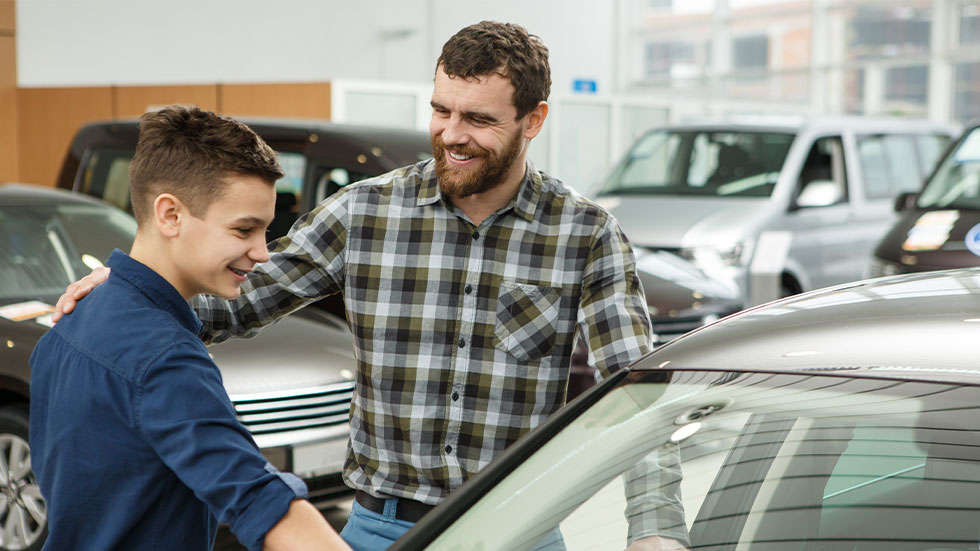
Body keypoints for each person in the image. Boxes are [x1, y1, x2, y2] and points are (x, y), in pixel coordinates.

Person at [54, 22, 688, 551]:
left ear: (533, 120)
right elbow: (237, 293)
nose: (451, 133)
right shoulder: (364, 212)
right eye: (440, 110)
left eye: (478, 119)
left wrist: (655, 530)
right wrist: (133, 291)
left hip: (517, 529)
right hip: (382, 530)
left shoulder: (585, 233)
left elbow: (633, 393)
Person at [31, 105, 350, 551]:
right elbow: (256, 498)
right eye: (244, 230)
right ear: (170, 215)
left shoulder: (66, 325)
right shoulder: (166, 357)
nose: (262, 252)